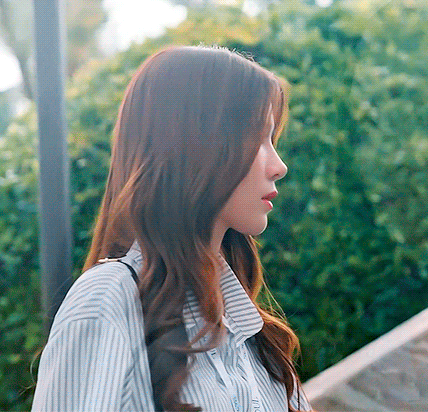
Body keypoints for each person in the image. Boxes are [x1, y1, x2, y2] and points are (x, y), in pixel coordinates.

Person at [33, 46, 308, 411]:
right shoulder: (109, 302)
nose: (279, 166)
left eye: (272, 141)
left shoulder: (252, 333)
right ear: (195, 145)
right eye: (257, 139)